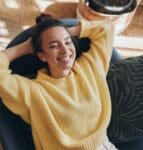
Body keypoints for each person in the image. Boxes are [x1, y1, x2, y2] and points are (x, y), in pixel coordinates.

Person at [0, 14, 117, 149]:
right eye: (54, 46)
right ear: (42, 55)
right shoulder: (33, 92)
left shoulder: (90, 67)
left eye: (68, 42)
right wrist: (27, 46)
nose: (65, 50)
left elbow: (106, 28)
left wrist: (66, 32)